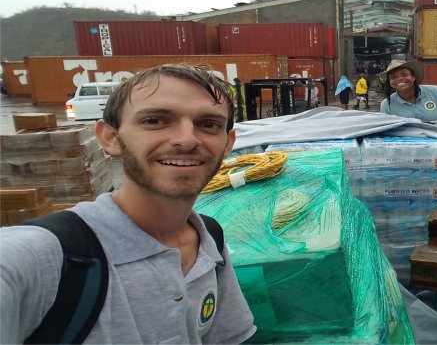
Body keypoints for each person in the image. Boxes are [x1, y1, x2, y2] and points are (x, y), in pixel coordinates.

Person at [0, 64, 256, 343]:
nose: (186, 140)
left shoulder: (209, 240)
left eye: (208, 124)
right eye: (155, 121)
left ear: (228, 143)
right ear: (111, 138)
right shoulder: (48, 258)